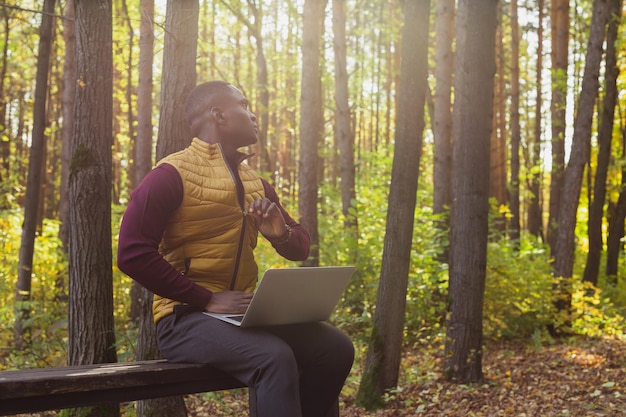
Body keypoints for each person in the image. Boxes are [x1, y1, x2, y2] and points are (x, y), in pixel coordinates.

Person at [117, 80, 354, 417]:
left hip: (243, 317)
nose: (254, 114)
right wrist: (207, 298)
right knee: (272, 356)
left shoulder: (255, 183)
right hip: (183, 321)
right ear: (219, 114)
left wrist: (279, 233)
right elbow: (131, 253)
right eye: (244, 105)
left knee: (335, 347)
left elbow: (300, 248)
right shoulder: (171, 174)